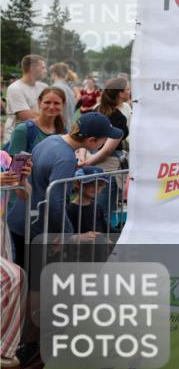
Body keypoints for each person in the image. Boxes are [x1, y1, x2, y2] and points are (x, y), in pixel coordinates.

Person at [5, 112, 123, 268]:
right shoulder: (66, 158)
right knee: (37, 286)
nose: (105, 142)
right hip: (37, 228)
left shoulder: (52, 140)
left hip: (19, 220)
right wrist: (68, 235)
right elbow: (56, 201)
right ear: (91, 140)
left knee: (23, 277)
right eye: (104, 139)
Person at [1, 154, 31, 366]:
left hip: (1, 229)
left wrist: (22, 181)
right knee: (13, 277)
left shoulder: (3, 157)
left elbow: (24, 195)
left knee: (10, 285)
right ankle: (4, 348)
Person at [81, 77, 129, 172]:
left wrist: (83, 157)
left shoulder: (96, 110)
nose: (129, 92)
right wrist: (87, 162)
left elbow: (83, 135)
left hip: (91, 158)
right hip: (109, 165)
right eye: (127, 89)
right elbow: (107, 150)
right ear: (120, 93)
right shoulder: (118, 117)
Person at [6, 87, 67, 156]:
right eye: (47, 102)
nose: (51, 107)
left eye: (56, 103)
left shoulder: (63, 130)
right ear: (39, 102)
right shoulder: (24, 130)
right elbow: (16, 165)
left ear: (63, 105)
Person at [5, 55, 47, 126]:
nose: (45, 71)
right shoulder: (15, 88)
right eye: (42, 68)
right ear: (32, 68)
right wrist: (50, 117)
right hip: (17, 134)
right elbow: (25, 116)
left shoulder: (44, 87)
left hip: (38, 131)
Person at [65, 167, 109, 235]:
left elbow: (105, 229)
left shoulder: (97, 207)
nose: (96, 187)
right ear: (77, 184)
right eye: (92, 183)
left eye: (100, 184)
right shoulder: (69, 209)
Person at [48, 63, 79, 131]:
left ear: (53, 73)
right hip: (68, 128)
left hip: (59, 129)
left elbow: (57, 112)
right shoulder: (69, 89)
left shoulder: (55, 88)